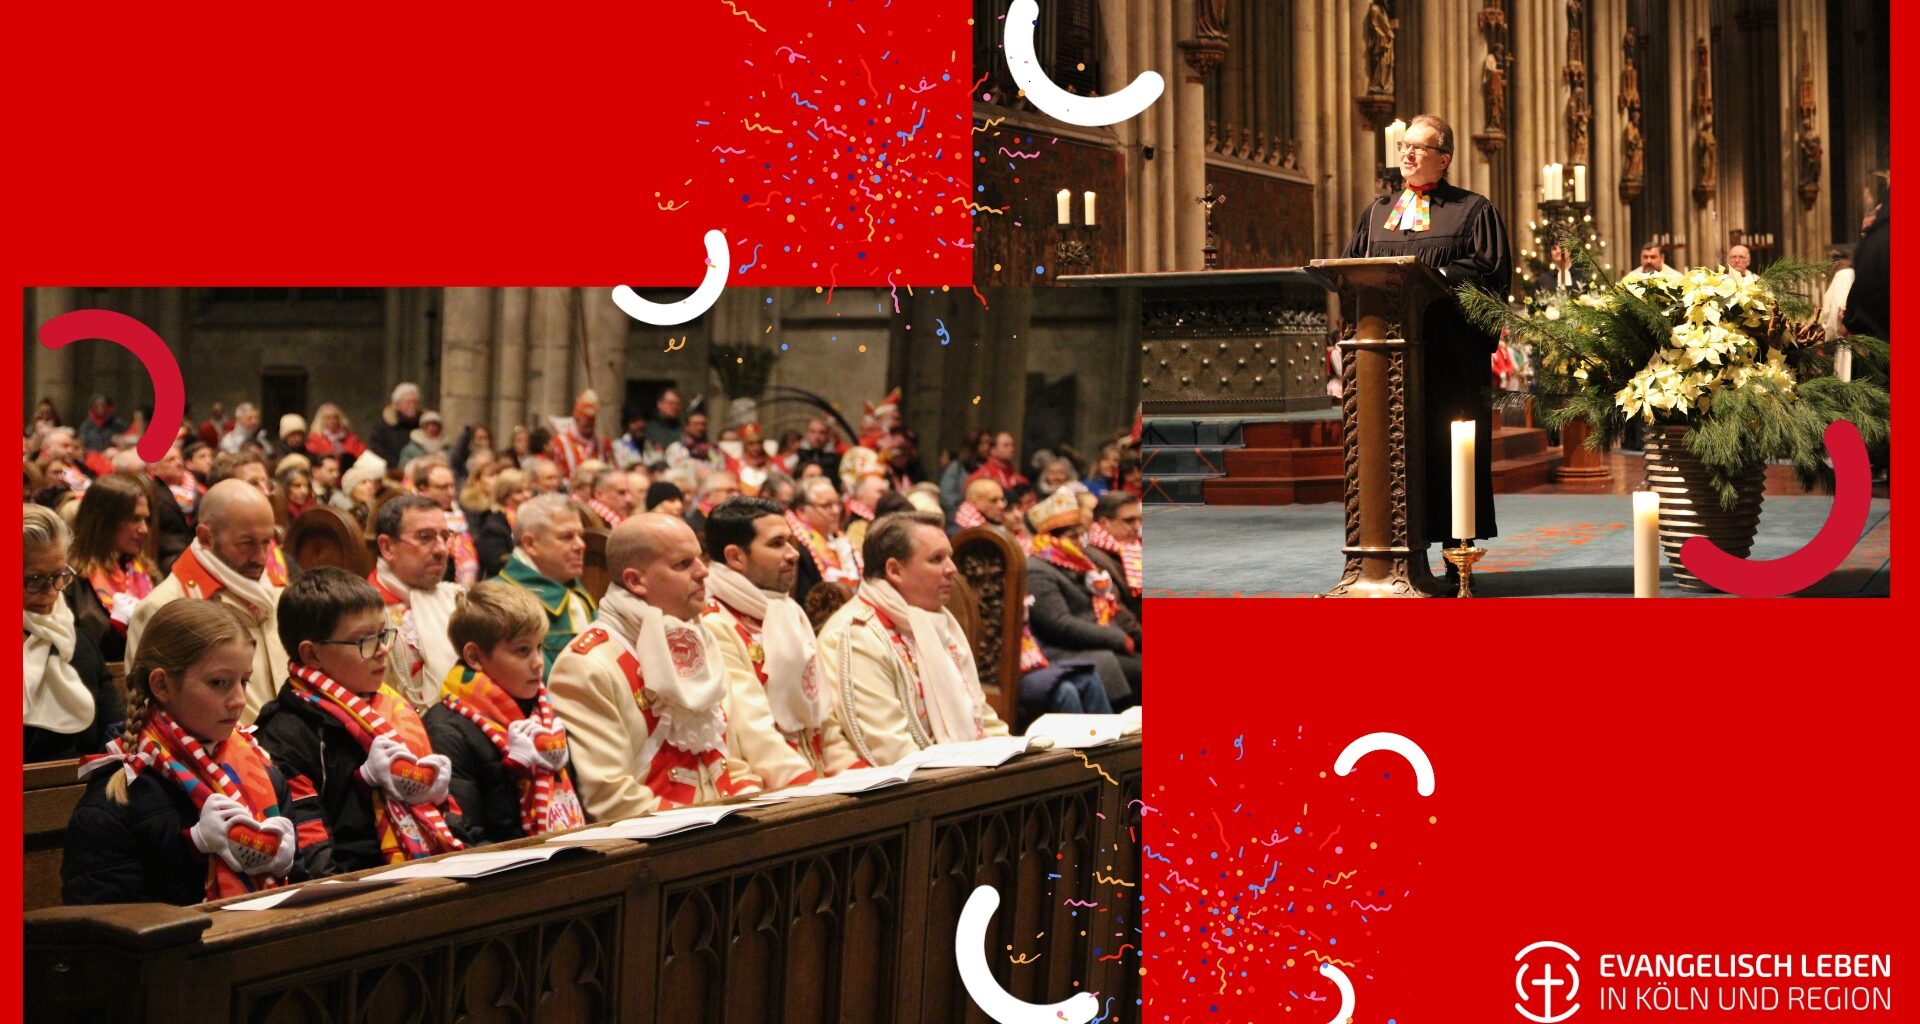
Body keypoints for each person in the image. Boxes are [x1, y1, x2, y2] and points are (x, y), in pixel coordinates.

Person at [1341, 112, 1511, 548]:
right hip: (1387, 367)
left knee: (1448, 450)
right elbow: (1350, 274)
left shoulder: (1473, 211)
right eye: (1404, 146)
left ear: (1445, 159)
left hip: (1449, 361)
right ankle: (1387, 545)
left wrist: (1435, 275)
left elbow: (1491, 274)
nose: (1408, 153)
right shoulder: (1378, 215)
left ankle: (1457, 555)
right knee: (1393, 453)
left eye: (1420, 147)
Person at [62, 600, 302, 905]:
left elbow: (301, 892)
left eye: (244, 681)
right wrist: (193, 849)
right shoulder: (118, 798)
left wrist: (291, 864)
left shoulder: (264, 774)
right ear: (162, 685)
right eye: (219, 683)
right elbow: (108, 930)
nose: (239, 700)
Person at [548, 514, 760, 819]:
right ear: (636, 581)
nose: (703, 572)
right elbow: (612, 800)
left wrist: (755, 808)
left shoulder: (698, 639)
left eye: (699, 559)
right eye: (683, 564)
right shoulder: (587, 665)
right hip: (658, 853)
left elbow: (728, 762)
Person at [253, 568, 464, 875]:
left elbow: (452, 820)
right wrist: (362, 784)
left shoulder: (393, 706)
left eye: (383, 635)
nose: (382, 651)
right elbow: (314, 860)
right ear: (311, 654)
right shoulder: (285, 735)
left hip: (427, 873)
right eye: (365, 640)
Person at [816, 511, 1009, 766]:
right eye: (937, 559)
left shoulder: (937, 622)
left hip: (956, 773)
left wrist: (1014, 754)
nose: (952, 569)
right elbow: (892, 752)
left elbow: (980, 717)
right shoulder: (858, 634)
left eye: (949, 557)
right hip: (902, 792)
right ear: (895, 570)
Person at [702, 498, 860, 789]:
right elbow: (754, 735)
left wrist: (853, 771)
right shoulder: (713, 624)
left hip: (818, 782)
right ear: (736, 557)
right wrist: (814, 789)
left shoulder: (787, 610)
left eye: (790, 542)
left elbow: (823, 720)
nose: (793, 554)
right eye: (776, 544)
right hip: (769, 794)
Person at [424, 581, 587, 844]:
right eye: (522, 650)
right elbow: (468, 838)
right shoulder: (446, 730)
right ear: (475, 657)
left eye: (539, 647)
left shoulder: (543, 713)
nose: (538, 663)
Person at [128, 480, 290, 722]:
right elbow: (150, 718)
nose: (260, 557)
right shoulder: (165, 608)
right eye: (246, 543)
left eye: (266, 542)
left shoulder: (278, 593)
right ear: (206, 537)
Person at [1024, 491, 1142, 710]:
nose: (1080, 543)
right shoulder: (1037, 569)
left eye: (1081, 535)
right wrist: (1116, 638)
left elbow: (1107, 605)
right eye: (1072, 536)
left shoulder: (1077, 563)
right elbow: (1059, 624)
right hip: (1065, 650)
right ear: (1051, 538)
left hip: (1094, 643)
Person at [24, 505, 123, 762]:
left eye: (59, 575)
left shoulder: (78, 641)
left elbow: (114, 734)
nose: (51, 592)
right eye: (34, 579)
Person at [368, 494, 466, 710]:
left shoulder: (458, 600)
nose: (442, 550)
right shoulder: (363, 614)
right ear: (388, 547)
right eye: (425, 537)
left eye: (445, 536)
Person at [496, 493, 597, 674]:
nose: (580, 545)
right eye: (567, 537)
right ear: (530, 544)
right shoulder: (501, 602)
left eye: (580, 536)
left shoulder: (568, 583)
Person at [66, 472, 159, 662]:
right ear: (103, 520)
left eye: (146, 520)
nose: (144, 529)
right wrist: (115, 630)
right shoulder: (69, 579)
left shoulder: (150, 572)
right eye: (134, 519)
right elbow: (74, 656)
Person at [787, 476, 862, 604]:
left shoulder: (840, 539)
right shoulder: (795, 545)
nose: (836, 511)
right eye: (826, 505)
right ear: (801, 511)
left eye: (837, 504)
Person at [412, 456, 479, 586]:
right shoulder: (414, 519)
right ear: (422, 489)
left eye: (452, 486)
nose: (451, 493)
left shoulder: (463, 514)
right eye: (442, 487)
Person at [1085, 491, 1144, 622]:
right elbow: (1114, 609)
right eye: (1129, 521)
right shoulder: (1093, 558)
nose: (1137, 527)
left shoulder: (1134, 548)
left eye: (1140, 520)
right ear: (1104, 523)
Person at [474, 467, 531, 580]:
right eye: (519, 492)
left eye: (528, 490)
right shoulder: (493, 526)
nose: (526, 495)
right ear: (503, 496)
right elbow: (495, 565)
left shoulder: (529, 519)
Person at [548, 389, 612, 477]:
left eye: (592, 425)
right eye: (585, 426)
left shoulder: (604, 443)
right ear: (576, 420)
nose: (589, 430)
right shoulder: (560, 443)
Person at [939, 429, 991, 518]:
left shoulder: (989, 466)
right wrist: (970, 505)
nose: (987, 447)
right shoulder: (956, 467)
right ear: (972, 445)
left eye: (988, 443)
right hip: (959, 517)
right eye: (982, 443)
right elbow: (946, 497)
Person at [369, 383, 424, 466]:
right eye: (408, 402)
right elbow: (377, 451)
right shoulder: (383, 427)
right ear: (397, 404)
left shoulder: (424, 425)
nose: (412, 406)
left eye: (415, 402)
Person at [305, 403, 366, 471]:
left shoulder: (351, 438)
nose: (332, 421)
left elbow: (362, 458)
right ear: (321, 420)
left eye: (335, 417)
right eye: (328, 418)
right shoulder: (314, 440)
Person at [686, 470, 740, 537]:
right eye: (729, 491)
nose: (736, 495)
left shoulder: (735, 520)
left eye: (737, 491)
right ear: (707, 495)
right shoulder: (694, 525)